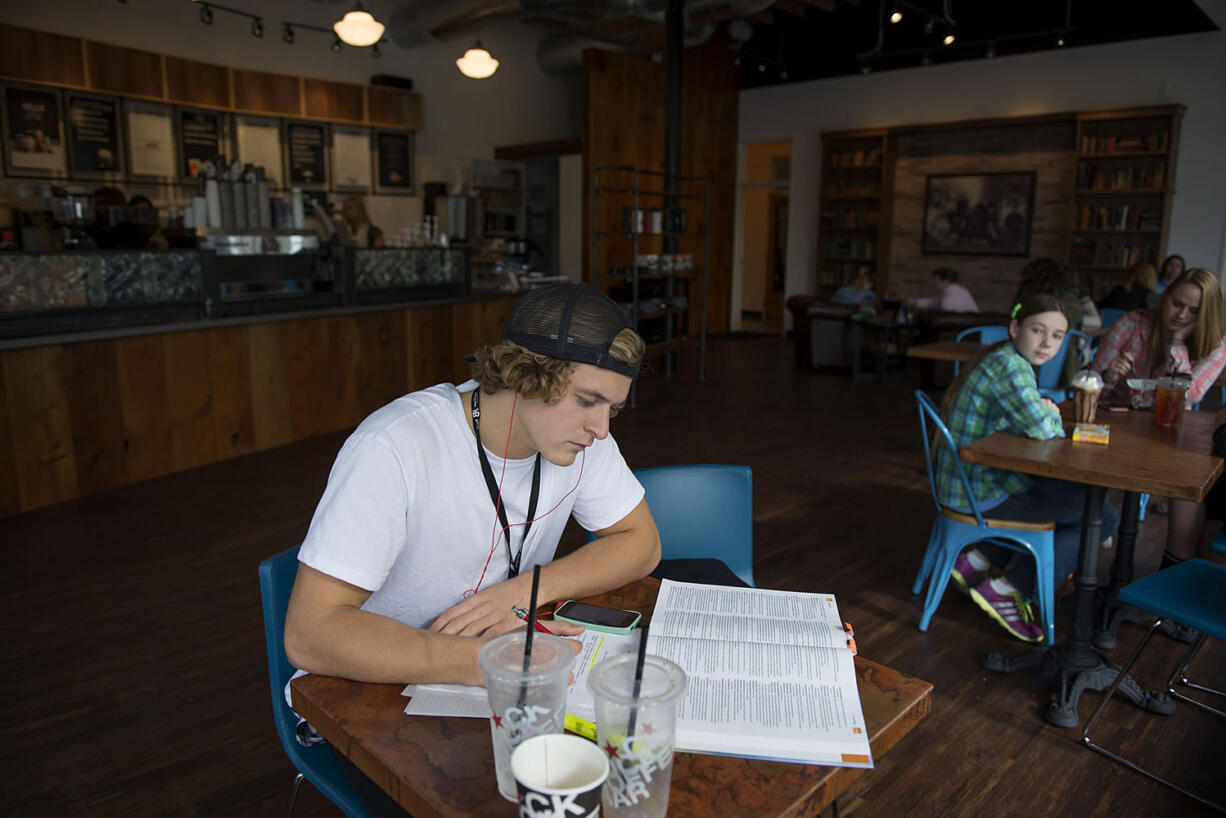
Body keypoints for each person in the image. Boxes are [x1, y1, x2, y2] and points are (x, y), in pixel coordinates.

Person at [284, 282, 660, 688]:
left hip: (491, 664)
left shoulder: (581, 439)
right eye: (587, 401)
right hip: (373, 686)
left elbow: (643, 543)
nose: (602, 428)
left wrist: (525, 592)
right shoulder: (393, 445)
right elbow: (309, 635)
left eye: (613, 408)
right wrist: (488, 661)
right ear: (526, 376)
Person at [935, 294, 1120, 642]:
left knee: (1072, 498)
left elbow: (1028, 422)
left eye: (1057, 336)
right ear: (1015, 328)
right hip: (980, 489)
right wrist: (1048, 409)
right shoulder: (1011, 367)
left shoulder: (1004, 358)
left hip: (966, 480)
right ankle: (1008, 589)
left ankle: (977, 559)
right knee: (1102, 516)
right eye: (1038, 330)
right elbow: (1043, 428)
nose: (1047, 343)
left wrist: (1041, 407)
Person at [1089, 267, 1226, 408]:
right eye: (1177, 304)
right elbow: (1090, 384)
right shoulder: (1130, 324)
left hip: (1169, 422)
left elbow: (1187, 396)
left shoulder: (1215, 346)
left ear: (1207, 315)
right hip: (1117, 415)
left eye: (1194, 311)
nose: (1182, 315)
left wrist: (1177, 342)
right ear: (1165, 297)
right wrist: (1108, 377)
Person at [309, 195, 385, 248]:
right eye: (345, 208)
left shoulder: (373, 231)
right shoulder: (343, 230)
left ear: (360, 209)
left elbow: (378, 254)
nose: (348, 211)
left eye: (351, 208)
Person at [914, 267, 979, 312]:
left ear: (946, 281)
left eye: (936, 280)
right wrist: (916, 302)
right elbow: (935, 303)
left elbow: (944, 313)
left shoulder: (951, 296)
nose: (934, 284)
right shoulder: (961, 290)